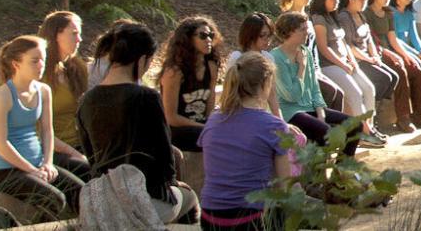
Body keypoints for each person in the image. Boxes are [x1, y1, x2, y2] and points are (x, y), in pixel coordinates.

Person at [78, 20, 200, 223]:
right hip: (144, 199)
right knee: (190, 198)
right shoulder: (146, 96)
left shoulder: (86, 100)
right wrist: (173, 184)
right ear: (142, 60)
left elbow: (91, 156)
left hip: (103, 202)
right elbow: (163, 152)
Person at [200, 53, 301, 231]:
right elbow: (285, 187)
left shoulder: (214, 120)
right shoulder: (273, 126)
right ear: (265, 84)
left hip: (209, 217)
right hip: (248, 220)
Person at [0, 35, 85, 220]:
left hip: (38, 164)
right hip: (7, 171)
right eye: (34, 61)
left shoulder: (43, 90)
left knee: (82, 192)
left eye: (43, 59)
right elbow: (1, 143)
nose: (41, 65)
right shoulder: (2, 97)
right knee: (55, 199)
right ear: (16, 64)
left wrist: (47, 163)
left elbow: (47, 131)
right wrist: (31, 170)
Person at [270, 12, 363, 159]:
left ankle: (341, 172)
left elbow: (314, 87)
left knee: (355, 125)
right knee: (325, 132)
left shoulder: (305, 51)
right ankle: (318, 177)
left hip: (311, 107)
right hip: (291, 112)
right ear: (289, 31)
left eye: (306, 28)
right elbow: (291, 95)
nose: (307, 32)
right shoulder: (276, 57)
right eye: (302, 29)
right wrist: (301, 68)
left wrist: (321, 112)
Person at [309, 0, 386, 148]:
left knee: (369, 88)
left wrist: (351, 61)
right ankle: (363, 133)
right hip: (329, 65)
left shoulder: (333, 16)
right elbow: (323, 48)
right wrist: (342, 64)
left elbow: (344, 43)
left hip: (345, 62)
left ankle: (369, 127)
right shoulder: (319, 19)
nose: (337, 1)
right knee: (355, 93)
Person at [366, 0, 421, 133]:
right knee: (401, 72)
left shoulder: (388, 13)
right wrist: (391, 54)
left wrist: (407, 56)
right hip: (377, 51)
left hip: (391, 49)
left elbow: (392, 38)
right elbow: (372, 40)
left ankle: (418, 115)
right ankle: (403, 118)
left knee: (416, 70)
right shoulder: (367, 14)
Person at [340, 0, 405, 136]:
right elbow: (349, 45)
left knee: (393, 76)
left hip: (368, 57)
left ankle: (376, 111)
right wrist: (368, 59)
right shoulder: (344, 17)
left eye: (365, 0)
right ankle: (371, 120)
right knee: (382, 79)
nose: (364, 3)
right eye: (361, 0)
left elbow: (369, 39)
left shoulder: (361, 15)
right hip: (358, 59)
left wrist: (374, 55)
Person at [38, 11, 94, 179]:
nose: (80, 39)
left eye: (80, 34)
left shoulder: (78, 67)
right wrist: (75, 154)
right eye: (74, 33)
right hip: (51, 149)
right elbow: (38, 130)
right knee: (89, 171)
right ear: (56, 35)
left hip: (80, 143)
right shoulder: (40, 75)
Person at [158, 16, 224, 153]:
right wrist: (203, 127)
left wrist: (212, 123)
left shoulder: (211, 67)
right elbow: (171, 117)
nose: (209, 40)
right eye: (203, 36)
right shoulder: (174, 72)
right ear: (188, 39)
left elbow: (209, 110)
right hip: (178, 130)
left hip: (202, 126)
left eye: (211, 35)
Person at [279, 0, 344, 111]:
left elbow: (312, 48)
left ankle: (333, 129)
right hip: (297, 71)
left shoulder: (308, 19)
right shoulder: (287, 19)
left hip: (313, 69)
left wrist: (316, 69)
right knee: (330, 92)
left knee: (338, 94)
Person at [222, 13, 277, 79]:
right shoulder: (237, 57)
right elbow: (229, 84)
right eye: (262, 35)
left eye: (269, 35)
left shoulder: (269, 58)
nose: (267, 39)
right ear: (250, 35)